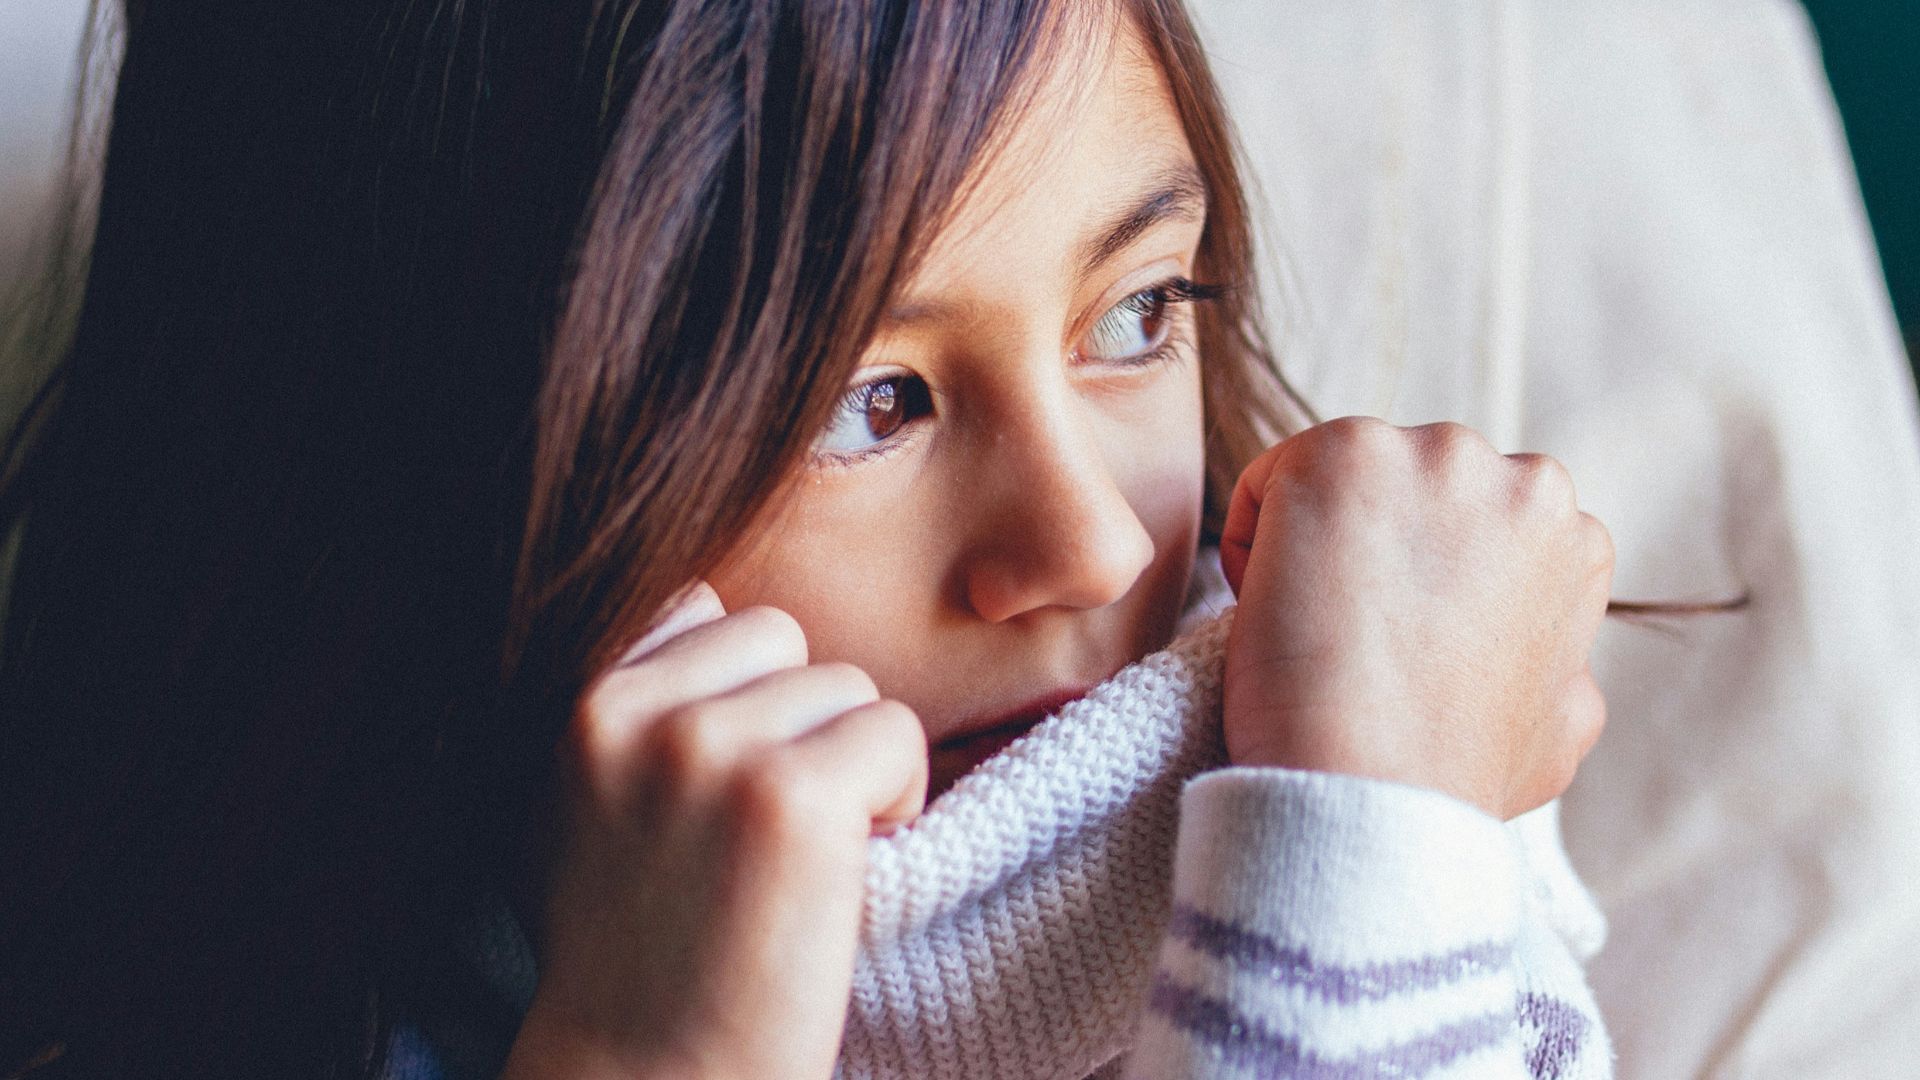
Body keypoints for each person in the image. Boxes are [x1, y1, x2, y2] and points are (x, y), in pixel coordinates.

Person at [0, 1, 1623, 1077]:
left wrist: (1386, 807)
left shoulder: (1354, 757)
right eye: (869, 404)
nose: (1087, 547)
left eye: (1136, 313)